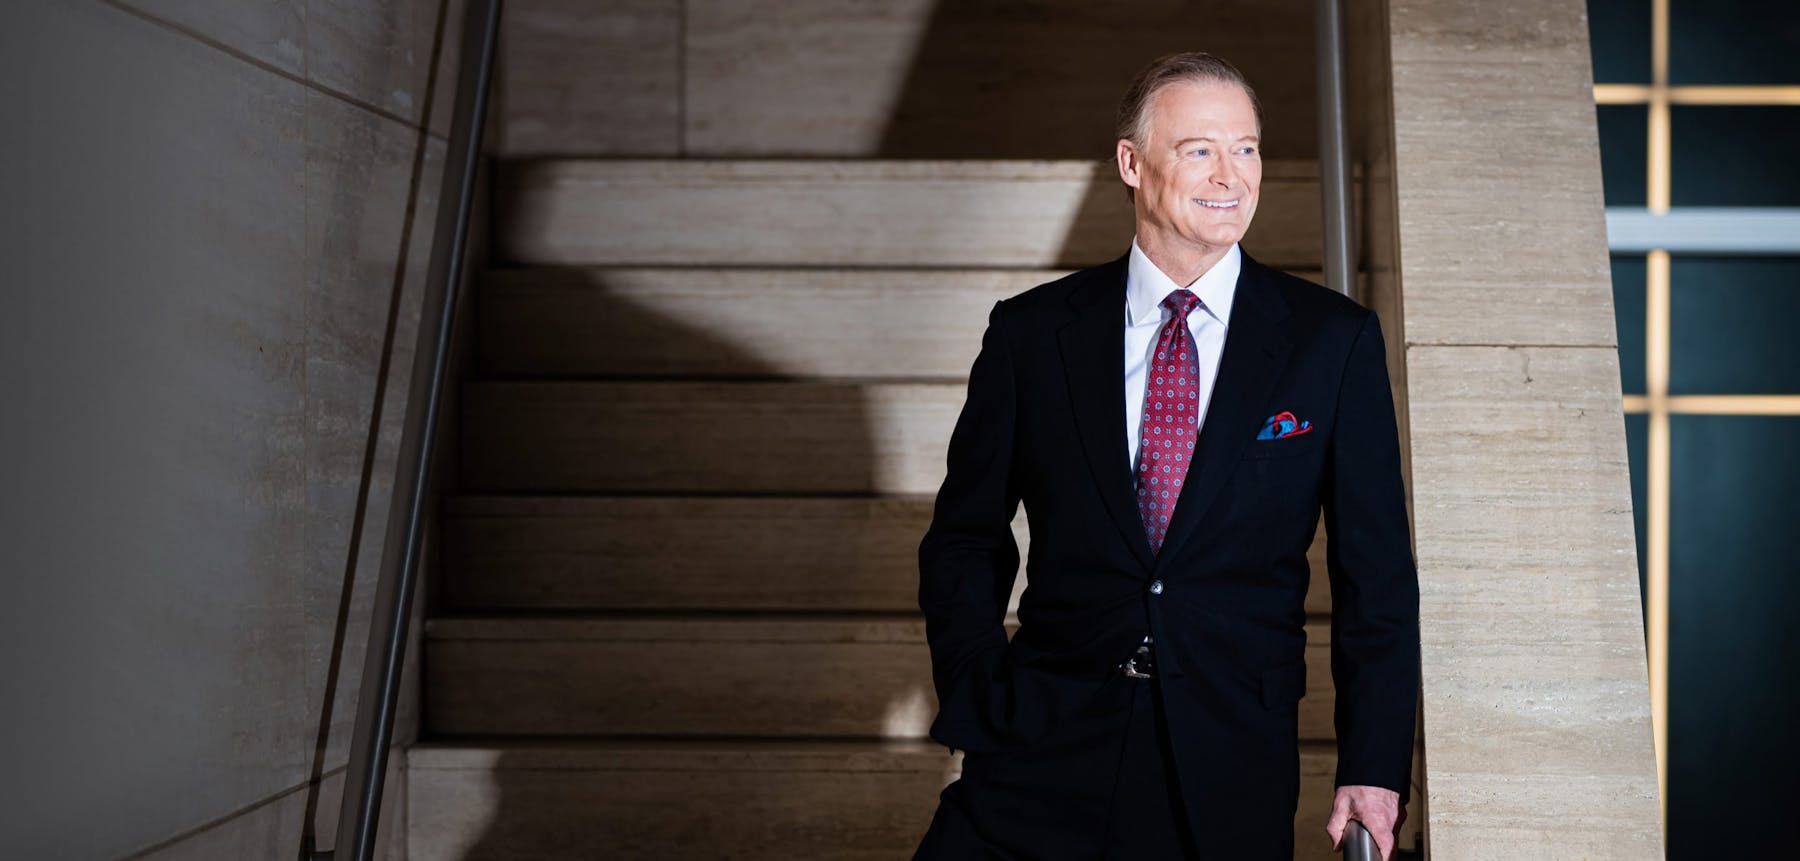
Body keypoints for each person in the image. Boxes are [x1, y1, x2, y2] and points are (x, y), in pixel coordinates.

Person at [912, 52, 1420, 860]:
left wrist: (1373, 762)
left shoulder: (1332, 342)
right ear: (1131, 163)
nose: (1232, 174)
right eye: (1200, 149)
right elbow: (966, 536)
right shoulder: (1033, 333)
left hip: (1225, 763)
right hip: (1041, 745)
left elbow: (1378, 577)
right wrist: (980, 691)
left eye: (1247, 148)